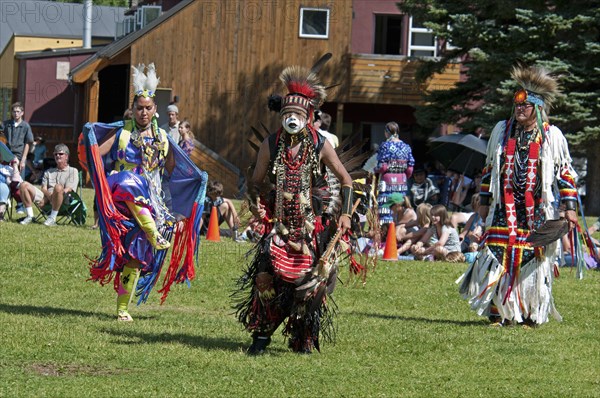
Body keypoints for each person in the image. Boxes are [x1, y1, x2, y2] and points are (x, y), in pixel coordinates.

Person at [234, 59, 355, 355]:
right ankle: (261, 337)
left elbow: (346, 179)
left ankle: (302, 336)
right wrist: (256, 205)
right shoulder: (271, 145)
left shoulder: (319, 144)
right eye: (286, 113)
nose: (291, 118)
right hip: (279, 225)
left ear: (307, 116)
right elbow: (255, 182)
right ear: (281, 115)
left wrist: (347, 215)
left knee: (311, 283)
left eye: (296, 114)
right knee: (265, 278)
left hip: (311, 228)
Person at [457, 65, 582, 327]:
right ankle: (498, 312)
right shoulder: (502, 132)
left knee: (532, 259)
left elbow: (565, 173)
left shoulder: (551, 136)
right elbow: (490, 167)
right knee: (495, 255)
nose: (519, 109)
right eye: (517, 105)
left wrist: (569, 206)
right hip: (504, 209)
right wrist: (485, 200)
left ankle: (529, 313)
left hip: (536, 211)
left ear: (536, 107)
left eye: (525, 106)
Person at [85, 64, 207, 322]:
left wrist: (195, 177)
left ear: (155, 110)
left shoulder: (163, 137)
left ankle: (122, 309)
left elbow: (172, 170)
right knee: (131, 181)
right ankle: (153, 233)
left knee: (136, 257)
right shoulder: (123, 132)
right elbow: (96, 151)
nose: (143, 112)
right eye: (139, 108)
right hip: (120, 194)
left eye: (148, 108)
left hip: (149, 202)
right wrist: (90, 135)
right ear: (134, 108)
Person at [18, 144, 79, 226]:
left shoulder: (73, 171)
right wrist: (48, 198)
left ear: (66, 156)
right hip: (46, 196)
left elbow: (69, 189)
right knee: (23, 184)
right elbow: (43, 188)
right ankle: (30, 216)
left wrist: (52, 197)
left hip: (63, 199)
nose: (58, 156)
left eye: (60, 154)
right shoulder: (49, 171)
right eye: (55, 154)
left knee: (58, 187)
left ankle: (52, 218)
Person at [375, 122, 415, 225]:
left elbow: (382, 167)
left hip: (387, 181)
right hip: (402, 181)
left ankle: (385, 231)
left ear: (387, 132)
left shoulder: (385, 146)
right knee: (400, 205)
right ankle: (398, 227)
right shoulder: (406, 147)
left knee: (386, 207)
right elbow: (410, 169)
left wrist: (375, 169)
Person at [1, 102, 34, 177]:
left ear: (22, 113)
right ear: (12, 113)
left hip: (19, 155)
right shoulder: (6, 124)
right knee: (5, 177)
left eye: (18, 111)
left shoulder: (26, 126)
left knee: (18, 180)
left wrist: (23, 159)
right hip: (6, 154)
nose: (16, 113)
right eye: (14, 111)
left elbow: (27, 143)